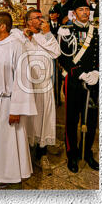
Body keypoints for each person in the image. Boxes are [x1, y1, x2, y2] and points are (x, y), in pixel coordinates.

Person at [0, 12, 38, 189]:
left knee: (6, 143)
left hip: (6, 103)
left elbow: (22, 80)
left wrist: (16, 109)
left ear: (3, 26)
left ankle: (7, 176)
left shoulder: (16, 46)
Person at [57, 0, 99, 173]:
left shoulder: (96, 32)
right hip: (74, 81)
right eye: (81, 9)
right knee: (72, 120)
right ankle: (72, 153)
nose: (85, 12)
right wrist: (79, 73)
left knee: (90, 119)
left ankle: (87, 152)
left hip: (93, 81)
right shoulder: (66, 31)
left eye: (87, 9)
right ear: (74, 13)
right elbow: (62, 57)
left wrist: (97, 72)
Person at [19, 9, 60, 166]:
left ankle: (42, 153)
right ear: (29, 21)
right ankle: (28, 151)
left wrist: (48, 34)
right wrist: (26, 36)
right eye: (37, 18)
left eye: (41, 17)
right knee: (29, 120)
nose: (41, 20)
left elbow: (56, 53)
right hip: (28, 87)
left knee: (44, 120)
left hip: (45, 86)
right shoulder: (22, 36)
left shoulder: (47, 36)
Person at [47, 7, 64, 106]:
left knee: (58, 79)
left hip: (59, 55)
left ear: (58, 15)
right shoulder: (47, 26)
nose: (52, 15)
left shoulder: (62, 27)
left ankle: (58, 99)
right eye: (50, 13)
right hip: (49, 55)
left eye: (54, 13)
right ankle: (51, 100)